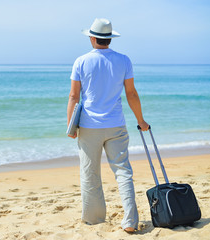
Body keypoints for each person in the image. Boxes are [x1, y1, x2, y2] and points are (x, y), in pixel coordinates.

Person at [67, 18, 149, 233]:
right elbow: (131, 93)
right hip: (116, 125)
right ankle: (130, 220)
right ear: (109, 39)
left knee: (90, 173)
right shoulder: (124, 60)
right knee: (123, 171)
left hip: (89, 126)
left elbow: (74, 96)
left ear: (92, 38)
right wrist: (141, 120)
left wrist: (70, 127)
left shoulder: (81, 61)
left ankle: (94, 220)